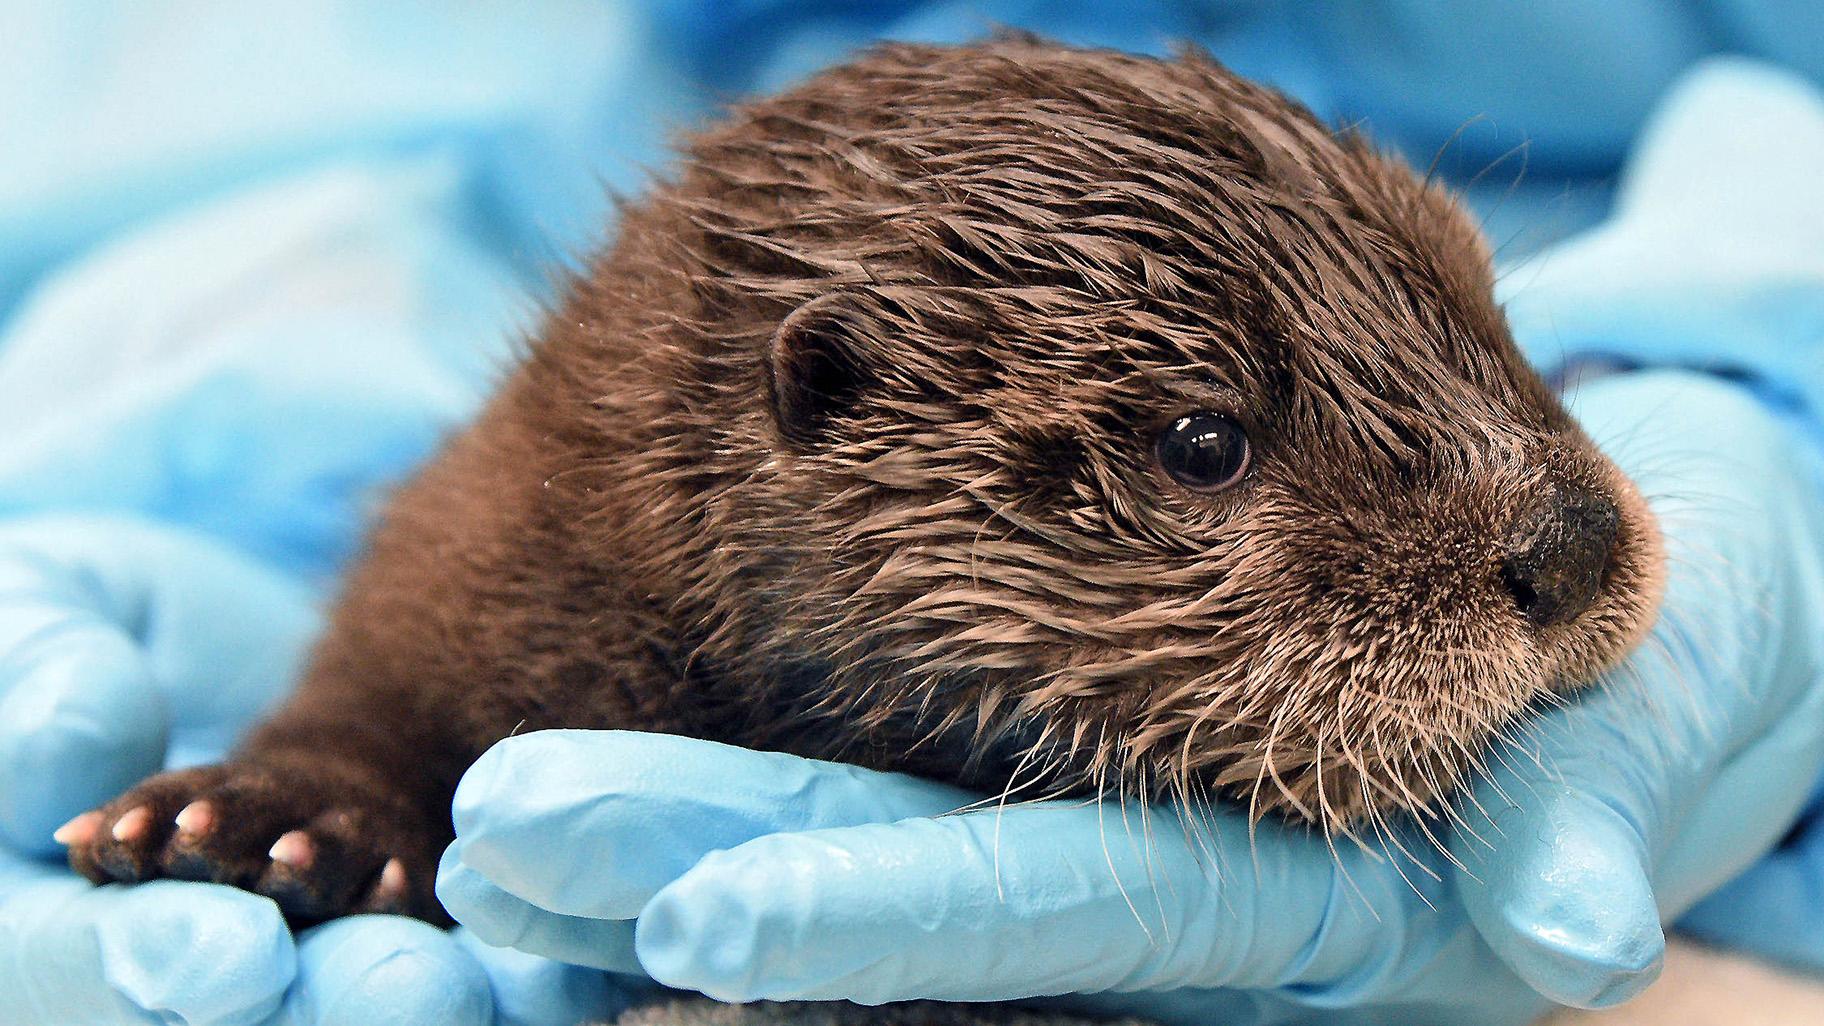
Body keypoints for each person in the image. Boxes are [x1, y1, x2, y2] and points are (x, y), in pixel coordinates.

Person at [5, 4, 1824, 1025]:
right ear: (825, 405)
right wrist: (329, 768)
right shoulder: (524, 589)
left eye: (1471, 307)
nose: (1564, 535)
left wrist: (1763, 366)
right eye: (1199, 444)